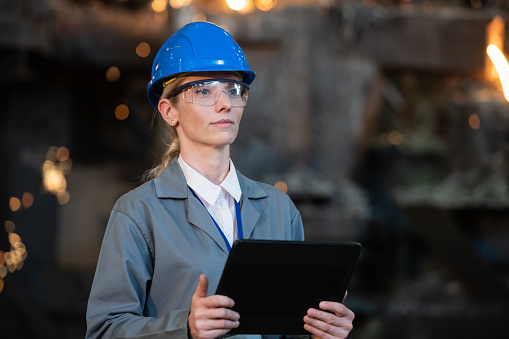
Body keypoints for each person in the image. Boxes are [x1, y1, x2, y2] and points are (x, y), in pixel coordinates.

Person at [86, 22, 355, 339]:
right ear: (168, 111)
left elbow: (288, 328)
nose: (225, 103)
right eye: (203, 90)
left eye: (234, 89)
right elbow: (104, 330)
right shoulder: (138, 213)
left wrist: (321, 332)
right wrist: (184, 327)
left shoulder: (279, 209)